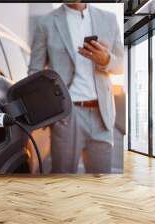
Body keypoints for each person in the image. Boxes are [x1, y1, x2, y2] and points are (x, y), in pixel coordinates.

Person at [28, 3, 124, 173]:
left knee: (102, 182)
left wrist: (106, 60)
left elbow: (121, 65)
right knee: (63, 180)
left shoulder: (109, 19)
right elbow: (35, 72)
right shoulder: (46, 23)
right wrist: (46, 110)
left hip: (102, 115)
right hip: (66, 115)